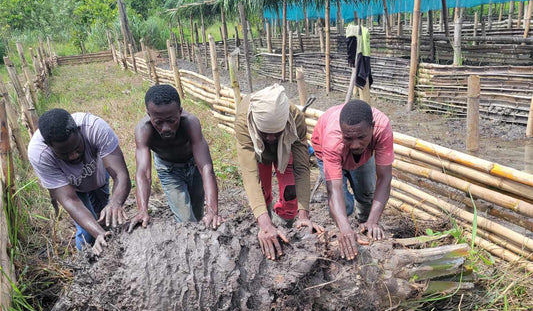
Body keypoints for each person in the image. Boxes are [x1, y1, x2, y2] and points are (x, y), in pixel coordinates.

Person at [234, 83, 322, 260]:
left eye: (276, 133)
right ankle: (266, 226)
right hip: (258, 152)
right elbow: (250, 176)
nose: (271, 138)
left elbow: (302, 168)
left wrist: (304, 214)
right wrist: (265, 224)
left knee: (291, 192)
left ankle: (287, 228)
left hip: (286, 146)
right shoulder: (244, 121)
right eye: (266, 133)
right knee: (262, 191)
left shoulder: (295, 118)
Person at [28, 108, 131, 255]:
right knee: (87, 233)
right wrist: (97, 233)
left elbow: (121, 174)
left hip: (98, 175)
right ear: (49, 146)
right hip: (71, 187)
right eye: (64, 153)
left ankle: (106, 245)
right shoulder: (39, 154)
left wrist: (115, 203)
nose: (73, 156)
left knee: (104, 213)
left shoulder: (95, 127)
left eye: (77, 148)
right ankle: (85, 261)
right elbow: (70, 200)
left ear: (78, 131)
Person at [130, 84, 221, 231]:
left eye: (171, 120)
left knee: (199, 217)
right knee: (186, 221)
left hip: (194, 166)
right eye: (158, 122)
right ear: (149, 115)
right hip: (169, 171)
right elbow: (143, 173)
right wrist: (142, 210)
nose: (165, 128)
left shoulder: (190, 123)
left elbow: (205, 168)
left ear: (180, 111)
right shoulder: (144, 130)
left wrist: (213, 211)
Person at [311, 99, 394, 261]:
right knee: (344, 204)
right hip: (328, 150)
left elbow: (384, 177)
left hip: (365, 154)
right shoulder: (332, 139)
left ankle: (365, 225)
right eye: (349, 138)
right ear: (342, 131)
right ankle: (345, 231)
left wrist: (373, 221)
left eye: (361, 137)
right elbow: (333, 189)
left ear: (372, 127)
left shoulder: (382, 128)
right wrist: (344, 229)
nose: (355, 145)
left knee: (367, 193)